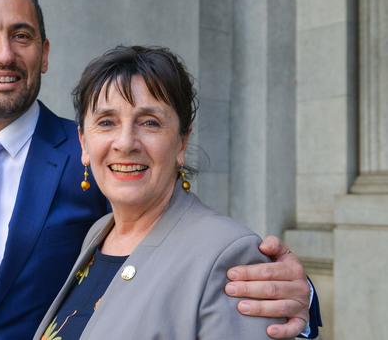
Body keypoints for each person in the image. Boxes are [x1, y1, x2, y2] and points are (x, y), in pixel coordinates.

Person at [0, 0, 320, 339]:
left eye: (21, 35)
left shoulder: (96, 158)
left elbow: (181, 251)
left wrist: (300, 301)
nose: (5, 54)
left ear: (45, 53)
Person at [34, 45, 285, 339]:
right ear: (84, 143)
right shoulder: (99, 233)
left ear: (181, 141)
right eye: (106, 122)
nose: (125, 143)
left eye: (149, 122)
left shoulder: (229, 256)